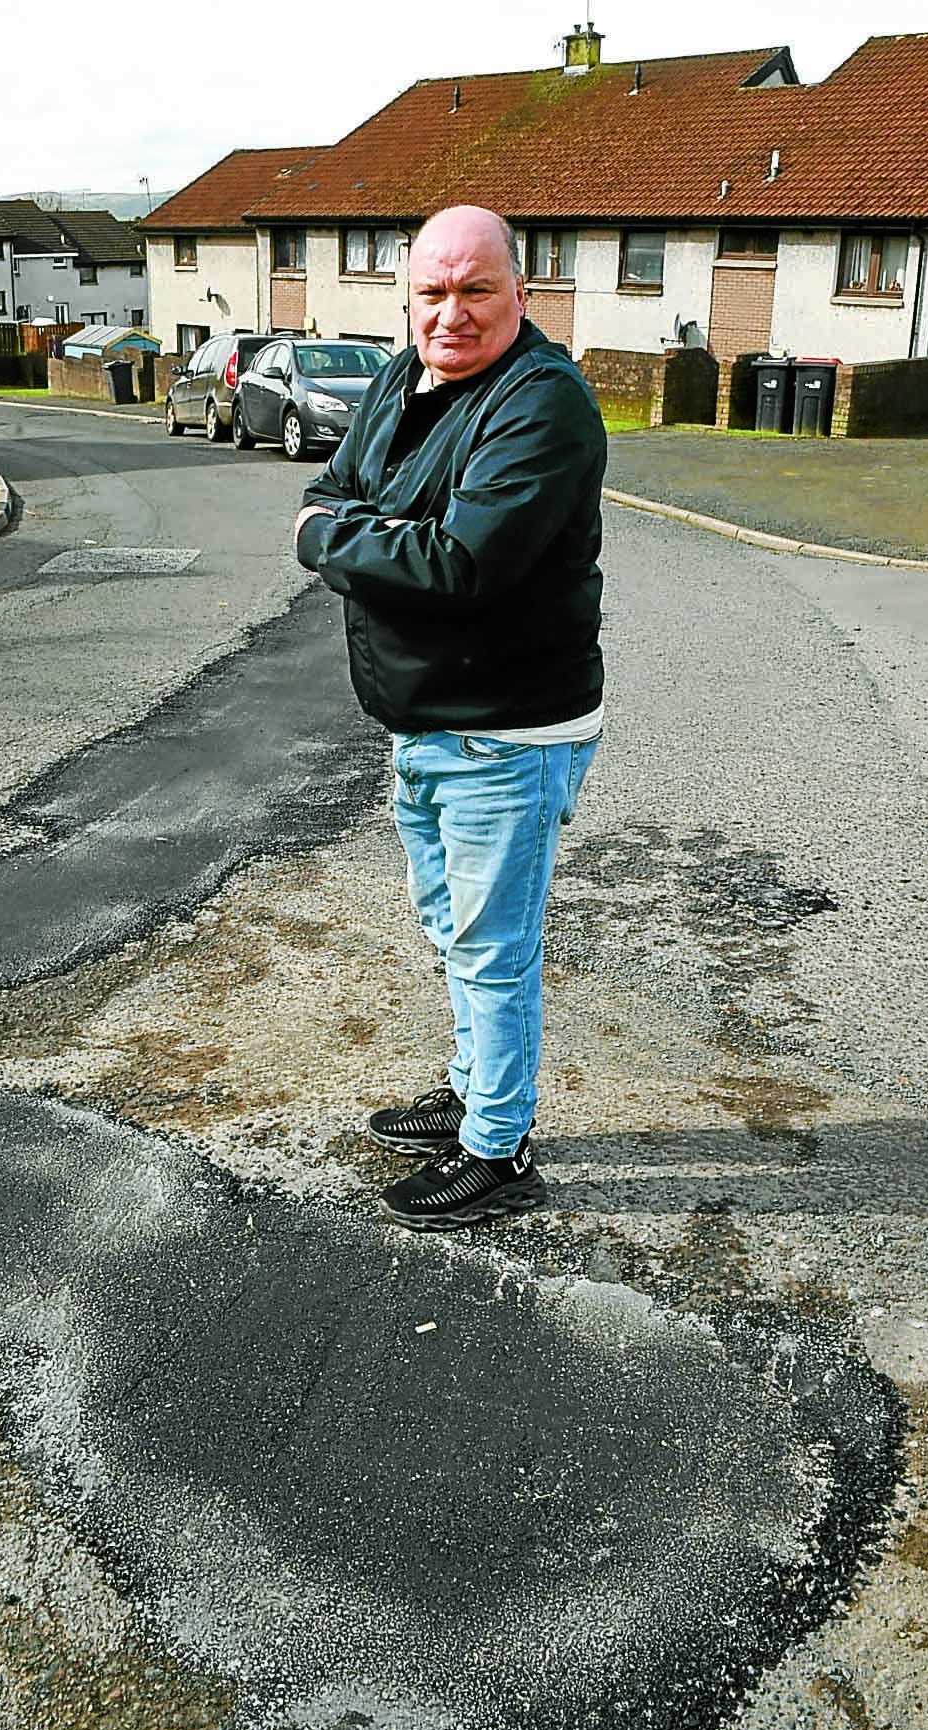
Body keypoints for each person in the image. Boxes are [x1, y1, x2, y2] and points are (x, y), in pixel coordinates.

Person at [294, 204, 606, 1233]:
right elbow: (333, 489)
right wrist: (368, 527)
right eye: (432, 291)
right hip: (423, 723)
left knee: (490, 948)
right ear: (409, 298)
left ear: (522, 290)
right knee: (452, 931)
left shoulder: (539, 404)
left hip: (502, 729)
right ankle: (474, 1090)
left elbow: (460, 565)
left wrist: (336, 538)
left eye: (476, 289)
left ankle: (498, 1150)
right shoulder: (399, 378)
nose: (452, 313)